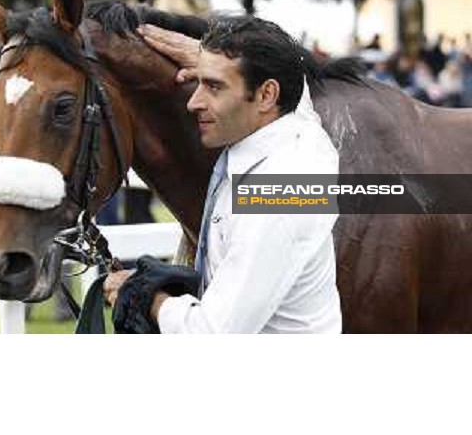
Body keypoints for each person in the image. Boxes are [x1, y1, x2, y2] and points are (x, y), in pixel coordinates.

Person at [104, 18, 342, 334]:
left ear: (267, 95)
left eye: (214, 87)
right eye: (199, 82)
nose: (194, 101)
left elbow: (211, 333)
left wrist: (144, 296)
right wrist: (219, 64)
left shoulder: (277, 194)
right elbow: (298, 101)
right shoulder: (300, 136)